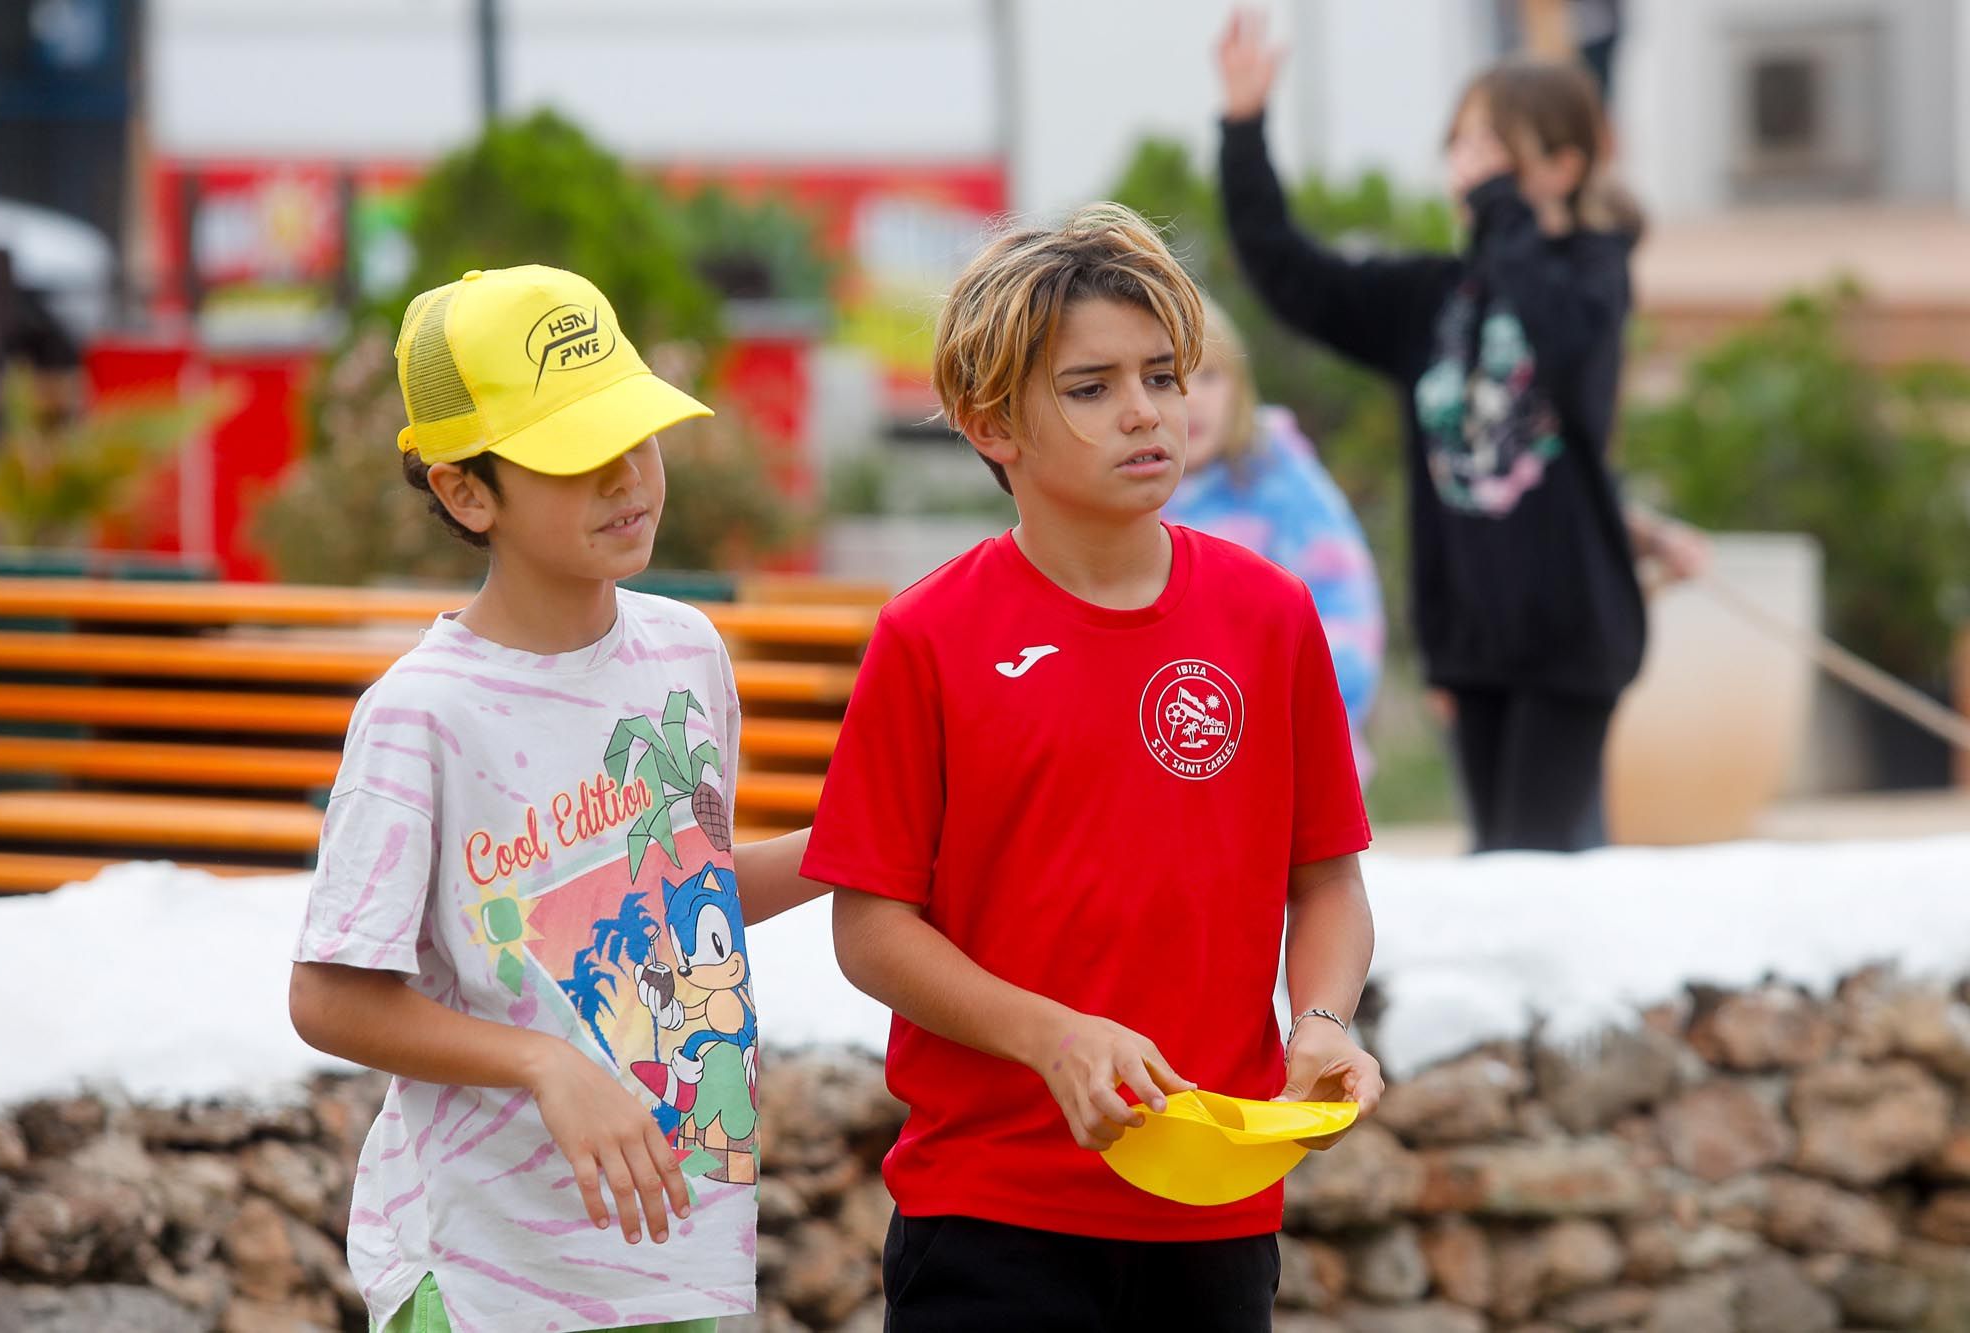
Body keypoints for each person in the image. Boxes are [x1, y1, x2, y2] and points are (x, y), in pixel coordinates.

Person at [800, 203, 1382, 1332]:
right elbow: (868, 928)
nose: (1144, 412)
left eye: (1165, 375)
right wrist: (1048, 1035)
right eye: (1090, 387)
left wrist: (1321, 1018)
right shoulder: (928, 635)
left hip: (1214, 1211)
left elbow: (1327, 881)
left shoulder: (1268, 615)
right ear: (989, 422)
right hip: (989, 1216)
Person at [287, 264, 820, 1333]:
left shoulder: (687, 651)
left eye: (638, 433)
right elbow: (330, 997)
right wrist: (543, 1065)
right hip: (487, 1272)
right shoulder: (421, 716)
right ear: (464, 491)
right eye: (578, 454)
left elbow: (683, 899)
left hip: (680, 1246)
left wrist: (877, 845)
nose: (628, 475)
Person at [1215, 10, 1704, 852]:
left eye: (1496, 148)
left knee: (1533, 857)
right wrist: (1244, 128)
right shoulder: (1432, 298)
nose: (1471, 167)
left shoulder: (1595, 273)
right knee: (1496, 857)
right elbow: (1294, 276)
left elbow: (1560, 343)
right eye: (1462, 145)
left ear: (1563, 164)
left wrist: (1506, 215)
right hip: (1470, 633)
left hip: (1570, 627)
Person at [1166, 295, 1386, 781]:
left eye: (1209, 377)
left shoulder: (1281, 482)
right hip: (1169, 748)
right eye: (1171, 381)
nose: (1192, 398)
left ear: (1239, 387)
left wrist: (1311, 709)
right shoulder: (1128, 496)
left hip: (1287, 746)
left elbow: (1347, 601)